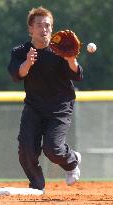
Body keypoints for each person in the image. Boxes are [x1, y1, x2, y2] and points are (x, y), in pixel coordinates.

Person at [7, 6, 83, 192]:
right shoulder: (21, 51)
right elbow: (17, 75)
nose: (45, 29)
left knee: (53, 149)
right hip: (34, 107)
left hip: (60, 106)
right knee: (26, 151)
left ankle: (72, 161)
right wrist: (27, 63)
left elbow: (78, 75)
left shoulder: (60, 50)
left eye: (48, 25)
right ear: (30, 29)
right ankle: (37, 186)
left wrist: (71, 59)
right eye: (39, 25)